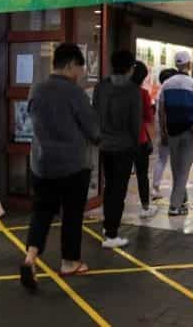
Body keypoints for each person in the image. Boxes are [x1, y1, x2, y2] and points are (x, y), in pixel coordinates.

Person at [21, 44, 100, 290]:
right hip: (73, 165)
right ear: (69, 65)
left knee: (41, 212)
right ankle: (69, 262)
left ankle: (30, 257)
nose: (80, 72)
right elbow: (93, 130)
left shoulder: (37, 88)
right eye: (79, 67)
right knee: (72, 214)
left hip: (41, 163)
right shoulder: (74, 93)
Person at [93, 50, 142, 248]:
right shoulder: (133, 90)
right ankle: (112, 234)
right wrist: (135, 145)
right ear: (130, 68)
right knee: (118, 189)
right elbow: (135, 123)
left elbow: (94, 113)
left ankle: (108, 225)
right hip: (124, 146)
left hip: (104, 144)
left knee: (109, 185)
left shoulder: (101, 87)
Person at [159, 51, 193, 216]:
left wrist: (163, 131)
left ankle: (182, 201)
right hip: (190, 131)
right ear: (189, 65)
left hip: (172, 131)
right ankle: (174, 205)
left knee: (177, 168)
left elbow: (161, 111)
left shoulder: (166, 84)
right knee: (183, 170)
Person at [131, 61, 160, 218]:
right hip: (139, 139)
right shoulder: (142, 93)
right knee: (142, 174)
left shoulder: (119, 91)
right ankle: (145, 206)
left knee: (119, 177)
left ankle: (114, 210)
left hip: (121, 141)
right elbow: (149, 117)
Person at [151, 68, 179, 199]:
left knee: (162, 159)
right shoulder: (168, 91)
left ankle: (155, 187)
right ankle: (174, 189)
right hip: (168, 129)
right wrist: (164, 132)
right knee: (171, 159)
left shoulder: (160, 91)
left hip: (162, 128)